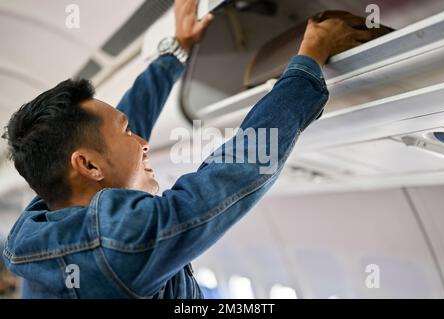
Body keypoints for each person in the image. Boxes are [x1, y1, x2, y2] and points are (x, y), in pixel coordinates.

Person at [1, 0, 374, 298]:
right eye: (129, 133)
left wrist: (176, 50)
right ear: (87, 166)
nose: (143, 142)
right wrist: (310, 57)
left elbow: (115, 135)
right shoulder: (118, 244)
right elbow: (242, 166)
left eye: (132, 131)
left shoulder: (44, 222)